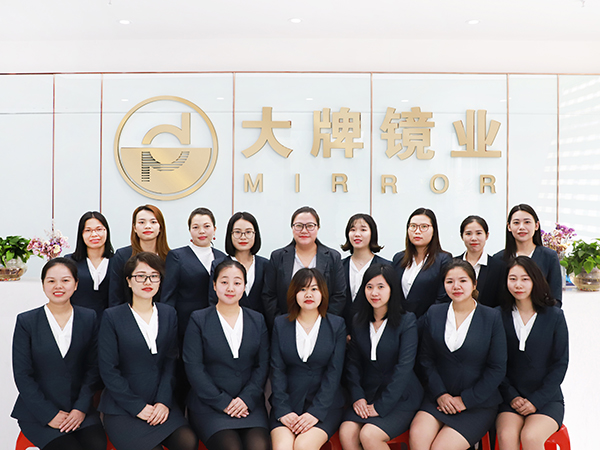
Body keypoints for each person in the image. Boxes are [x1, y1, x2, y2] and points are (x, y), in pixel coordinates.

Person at [98, 252, 197, 450]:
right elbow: (108, 370)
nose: (147, 282)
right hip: (123, 407)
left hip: (160, 403)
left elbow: (170, 362)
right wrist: (138, 407)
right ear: (128, 281)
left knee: (188, 442)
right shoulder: (112, 317)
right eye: (140, 276)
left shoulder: (168, 313)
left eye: (154, 276)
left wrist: (163, 401)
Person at [409, 260, 507, 450]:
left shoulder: (491, 317)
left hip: (477, 403)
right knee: (418, 438)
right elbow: (426, 359)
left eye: (463, 281)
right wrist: (440, 394)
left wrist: (466, 400)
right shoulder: (434, 313)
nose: (456, 286)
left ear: (474, 284)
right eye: (449, 281)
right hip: (438, 398)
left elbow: (497, 368)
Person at [12, 258, 106, 450]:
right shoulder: (26, 322)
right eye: (51, 281)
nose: (58, 286)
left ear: (76, 284)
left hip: (80, 410)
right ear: (43, 284)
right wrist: (49, 415)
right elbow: (23, 375)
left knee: (97, 445)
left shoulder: (88, 318)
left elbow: (93, 369)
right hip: (38, 413)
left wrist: (80, 409)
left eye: (65, 280)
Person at [184, 260, 270, 450]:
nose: (230, 288)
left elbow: (262, 365)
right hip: (209, 406)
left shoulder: (257, 319)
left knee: (259, 446)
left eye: (237, 282)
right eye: (224, 282)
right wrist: (223, 402)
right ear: (214, 285)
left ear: (244, 286)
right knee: (230, 447)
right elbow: (194, 368)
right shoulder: (198, 319)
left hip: (249, 405)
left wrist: (246, 399)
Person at [339, 264, 423, 450]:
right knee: (346, 432)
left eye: (381, 287)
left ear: (392, 289)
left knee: (369, 435)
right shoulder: (358, 320)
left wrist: (381, 406)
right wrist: (358, 397)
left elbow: (404, 368)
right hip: (368, 394)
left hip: (400, 397)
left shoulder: (407, 321)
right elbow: (353, 364)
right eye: (369, 287)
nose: (374, 293)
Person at [496, 256, 568, 450]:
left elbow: (560, 363)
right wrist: (512, 396)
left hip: (546, 398)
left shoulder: (554, 315)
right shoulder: (497, 316)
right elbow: (495, 364)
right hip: (509, 397)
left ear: (535, 280)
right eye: (512, 279)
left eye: (525, 279)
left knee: (531, 437)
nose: (518, 284)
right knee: (506, 436)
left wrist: (536, 400)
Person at [270, 268, 346, 450]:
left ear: (323, 293)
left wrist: (315, 413)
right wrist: (283, 411)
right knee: (283, 447)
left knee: (303, 446)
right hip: (288, 404)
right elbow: (277, 370)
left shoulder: (336, 325)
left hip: (324, 406)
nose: (308, 294)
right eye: (302, 289)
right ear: (294, 293)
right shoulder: (281, 324)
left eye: (314, 289)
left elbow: (334, 373)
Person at [263, 206, 346, 329]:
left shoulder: (333, 257)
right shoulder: (278, 257)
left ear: (318, 228)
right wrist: (282, 324)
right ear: (292, 228)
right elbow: (269, 295)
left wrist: (324, 324)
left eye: (310, 226)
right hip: (285, 325)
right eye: (299, 226)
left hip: (324, 327)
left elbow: (339, 295)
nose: (304, 230)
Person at [162, 207, 227, 339]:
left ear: (214, 229)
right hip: (185, 324)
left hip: (217, 323)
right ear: (190, 230)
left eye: (206, 226)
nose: (201, 231)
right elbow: (168, 296)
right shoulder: (177, 256)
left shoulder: (223, 258)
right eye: (195, 227)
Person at [495, 204, 562, 306]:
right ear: (509, 227)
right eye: (516, 223)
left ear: (536, 225)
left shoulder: (549, 256)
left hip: (542, 313)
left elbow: (555, 298)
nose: (521, 227)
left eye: (527, 222)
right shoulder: (499, 259)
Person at [392, 208, 452, 319]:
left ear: (434, 230)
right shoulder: (399, 258)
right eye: (413, 226)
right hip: (400, 322)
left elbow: (442, 299)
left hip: (428, 322)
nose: (417, 231)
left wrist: (421, 323)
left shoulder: (443, 259)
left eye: (424, 227)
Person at [108, 204, 170, 306]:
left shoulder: (171, 258)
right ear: (134, 228)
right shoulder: (122, 256)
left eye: (153, 222)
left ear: (160, 228)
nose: (147, 226)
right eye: (141, 222)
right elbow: (115, 295)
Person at [208, 211, 269, 315]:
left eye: (248, 232)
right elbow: (213, 300)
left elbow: (269, 300)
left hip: (260, 322)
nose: (243, 237)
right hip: (227, 319)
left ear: (255, 234)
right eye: (237, 232)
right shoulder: (218, 264)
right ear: (230, 234)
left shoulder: (266, 265)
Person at [340, 213, 391, 334]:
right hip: (341, 333)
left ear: (372, 233)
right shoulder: (339, 266)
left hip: (373, 332)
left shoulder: (386, 266)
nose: (357, 234)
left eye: (363, 230)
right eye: (353, 230)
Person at [66, 211, 114, 319]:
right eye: (88, 230)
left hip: (110, 322)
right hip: (78, 321)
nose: (94, 234)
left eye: (99, 229)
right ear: (81, 234)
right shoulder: (70, 262)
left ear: (106, 231)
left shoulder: (117, 261)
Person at [454, 215, 505, 308]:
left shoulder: (499, 267)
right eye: (468, 233)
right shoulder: (452, 265)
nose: (474, 238)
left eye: (478, 233)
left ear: (487, 235)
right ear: (462, 236)